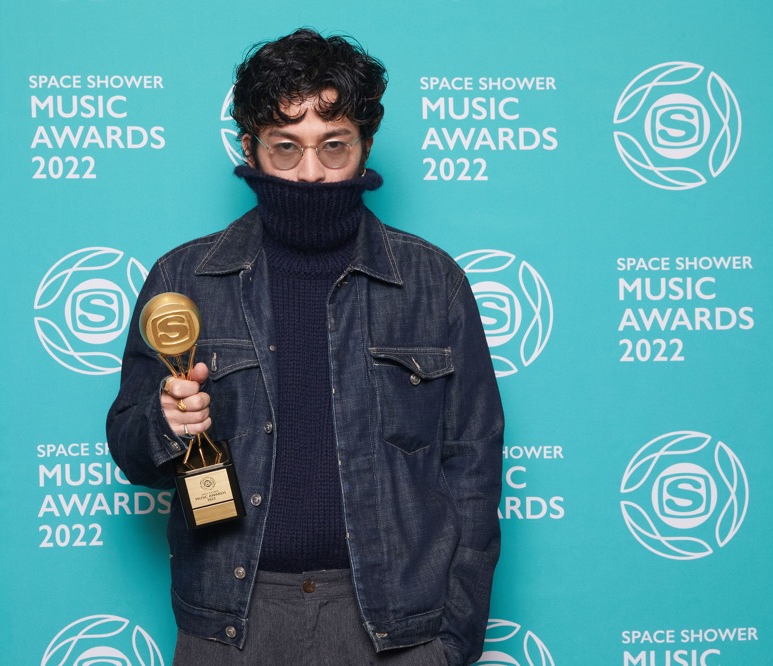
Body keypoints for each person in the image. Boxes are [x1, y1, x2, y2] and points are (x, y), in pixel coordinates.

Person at [107, 28, 503, 666]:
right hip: (231, 625)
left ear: (365, 144)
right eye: (286, 147)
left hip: (397, 627)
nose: (312, 172)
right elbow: (130, 449)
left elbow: (474, 469)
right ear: (251, 147)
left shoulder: (434, 283)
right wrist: (165, 425)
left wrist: (451, 641)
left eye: (334, 145)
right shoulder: (183, 279)